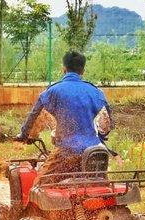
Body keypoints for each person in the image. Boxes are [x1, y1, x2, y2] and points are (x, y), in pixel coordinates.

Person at [16, 51, 115, 182]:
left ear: (64, 69)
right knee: (103, 188)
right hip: (94, 154)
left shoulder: (52, 92)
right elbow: (106, 125)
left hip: (65, 153)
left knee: (39, 186)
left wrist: (25, 135)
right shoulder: (97, 92)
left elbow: (35, 116)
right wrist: (99, 136)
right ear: (83, 71)